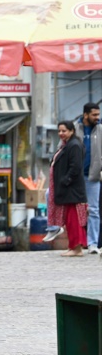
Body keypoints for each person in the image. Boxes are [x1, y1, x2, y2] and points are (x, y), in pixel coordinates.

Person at [48, 121, 88, 257]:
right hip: (68, 189)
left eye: (64, 131)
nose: (61, 134)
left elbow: (75, 167)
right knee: (70, 219)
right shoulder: (67, 145)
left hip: (72, 189)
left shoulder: (74, 145)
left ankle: (76, 248)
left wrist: (65, 181)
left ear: (71, 131)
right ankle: (74, 246)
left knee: (74, 219)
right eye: (59, 131)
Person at [73, 103, 101, 254]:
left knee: (94, 210)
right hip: (75, 177)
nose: (97, 118)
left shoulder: (101, 128)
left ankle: (92, 243)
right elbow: (62, 149)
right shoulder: (74, 129)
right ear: (85, 115)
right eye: (94, 115)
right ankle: (77, 242)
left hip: (93, 176)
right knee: (75, 210)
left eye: (98, 114)